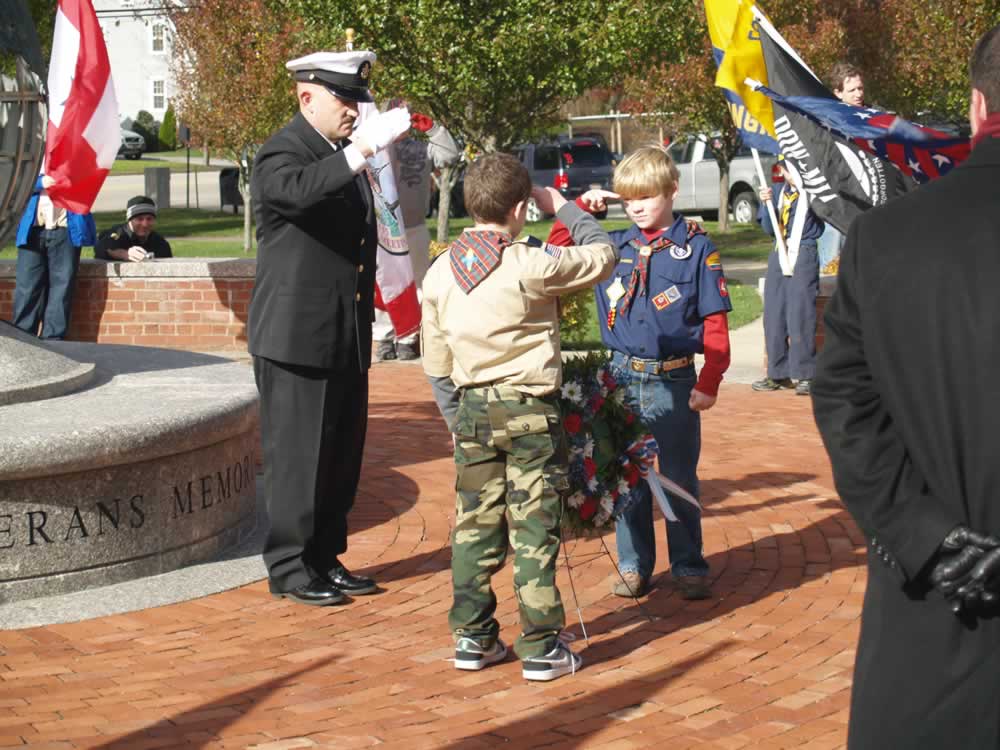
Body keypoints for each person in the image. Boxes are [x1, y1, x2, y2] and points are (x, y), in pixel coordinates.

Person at [812, 23, 1000, 748]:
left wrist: (928, 537)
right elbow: (846, 398)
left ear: (977, 108)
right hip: (938, 593)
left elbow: (845, 405)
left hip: (933, 603)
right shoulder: (882, 238)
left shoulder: (885, 239)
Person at [421, 153, 616, 681]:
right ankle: (541, 647)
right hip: (529, 409)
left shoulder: (440, 272)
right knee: (534, 529)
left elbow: (436, 364)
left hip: (473, 410)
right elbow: (603, 255)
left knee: (475, 527)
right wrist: (566, 208)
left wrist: (456, 420)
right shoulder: (529, 264)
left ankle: (473, 638)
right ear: (519, 207)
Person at [248, 49, 411, 607]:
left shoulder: (338, 154)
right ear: (306, 96)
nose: (355, 112)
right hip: (295, 337)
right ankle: (290, 567)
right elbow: (295, 191)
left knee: (339, 453)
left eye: (359, 102)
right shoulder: (282, 151)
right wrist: (362, 150)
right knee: (299, 457)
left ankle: (324, 556)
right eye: (346, 100)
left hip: (344, 330)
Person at [547, 145, 732, 601]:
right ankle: (634, 563)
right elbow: (554, 253)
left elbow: (715, 322)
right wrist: (577, 211)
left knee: (680, 475)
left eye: (646, 196)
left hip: (675, 381)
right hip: (621, 380)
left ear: (672, 191)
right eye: (627, 198)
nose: (636, 207)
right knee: (626, 477)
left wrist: (710, 381)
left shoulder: (696, 248)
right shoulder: (612, 246)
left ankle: (688, 563)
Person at [372, 110, 460, 361]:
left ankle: (408, 339)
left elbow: (449, 156)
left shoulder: (422, 149)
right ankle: (385, 337)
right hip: (384, 228)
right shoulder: (376, 148)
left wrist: (434, 130)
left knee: (418, 284)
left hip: (414, 226)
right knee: (384, 283)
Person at [751, 156, 824, 396]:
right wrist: (767, 206)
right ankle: (777, 373)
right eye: (784, 169)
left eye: (792, 168)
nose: (787, 173)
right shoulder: (778, 192)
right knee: (774, 313)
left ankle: (805, 374)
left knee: (800, 313)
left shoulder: (812, 191)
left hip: (803, 251)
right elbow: (769, 229)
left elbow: (821, 223)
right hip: (778, 251)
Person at [11, 174, 96, 339]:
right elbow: (15, 181)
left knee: (61, 289)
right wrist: (40, 182)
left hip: (65, 228)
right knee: (27, 288)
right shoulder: (33, 153)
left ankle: (54, 342)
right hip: (33, 229)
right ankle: (22, 340)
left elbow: (91, 175)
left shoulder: (75, 150)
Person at [94, 195, 173, 262]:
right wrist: (125, 254)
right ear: (129, 220)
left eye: (149, 219)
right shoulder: (118, 233)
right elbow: (103, 246)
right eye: (139, 219)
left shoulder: (160, 242)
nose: (145, 224)